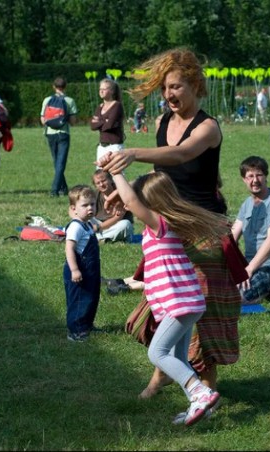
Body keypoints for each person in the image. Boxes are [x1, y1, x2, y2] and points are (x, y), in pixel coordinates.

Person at [97, 48, 241, 407]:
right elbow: (163, 175)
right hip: (169, 228)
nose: (169, 95)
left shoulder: (208, 128)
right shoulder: (163, 123)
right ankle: (163, 373)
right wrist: (122, 194)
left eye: (175, 87)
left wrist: (133, 153)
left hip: (205, 231)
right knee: (166, 304)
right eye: (164, 89)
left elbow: (179, 156)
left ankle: (204, 388)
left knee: (200, 314)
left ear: (194, 84)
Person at [111, 170, 226, 426]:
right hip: (186, 302)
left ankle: (201, 393)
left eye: (141, 198)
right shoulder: (165, 224)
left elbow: (130, 201)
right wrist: (116, 191)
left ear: (150, 200)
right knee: (179, 358)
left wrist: (115, 172)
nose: (137, 205)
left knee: (157, 352)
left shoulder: (159, 224)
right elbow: (132, 197)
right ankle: (199, 405)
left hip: (179, 304)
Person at [232, 156, 270, 304]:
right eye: (250, 176)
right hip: (249, 265)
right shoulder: (247, 204)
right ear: (244, 180)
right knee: (216, 288)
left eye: (259, 175)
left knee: (237, 298)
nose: (255, 180)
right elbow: (232, 236)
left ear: (266, 176)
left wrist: (248, 270)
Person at [63, 185, 101, 342]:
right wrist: (74, 269)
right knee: (79, 299)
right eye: (84, 205)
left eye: (92, 204)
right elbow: (69, 249)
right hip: (78, 270)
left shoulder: (87, 225)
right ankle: (76, 331)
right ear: (74, 209)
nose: (90, 208)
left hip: (90, 271)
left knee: (91, 298)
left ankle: (86, 324)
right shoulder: (75, 227)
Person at [40, 77, 78, 197]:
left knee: (57, 161)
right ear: (65, 86)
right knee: (61, 162)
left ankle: (64, 188)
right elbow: (73, 121)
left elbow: (43, 120)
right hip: (63, 133)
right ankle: (54, 190)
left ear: (53, 86)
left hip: (50, 134)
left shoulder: (47, 100)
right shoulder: (70, 101)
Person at [89, 169, 134, 243]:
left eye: (103, 181)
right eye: (98, 183)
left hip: (115, 225)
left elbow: (118, 218)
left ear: (111, 180)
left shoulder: (121, 193)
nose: (101, 184)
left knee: (126, 224)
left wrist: (98, 227)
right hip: (99, 226)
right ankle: (103, 238)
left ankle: (95, 238)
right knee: (84, 218)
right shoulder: (94, 195)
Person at [91, 78, 124, 162]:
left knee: (115, 173)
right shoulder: (100, 107)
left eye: (104, 89)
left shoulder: (116, 106)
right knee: (100, 174)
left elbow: (109, 126)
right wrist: (104, 121)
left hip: (114, 147)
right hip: (101, 147)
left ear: (112, 91)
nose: (101, 91)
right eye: (100, 89)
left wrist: (100, 121)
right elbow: (92, 126)